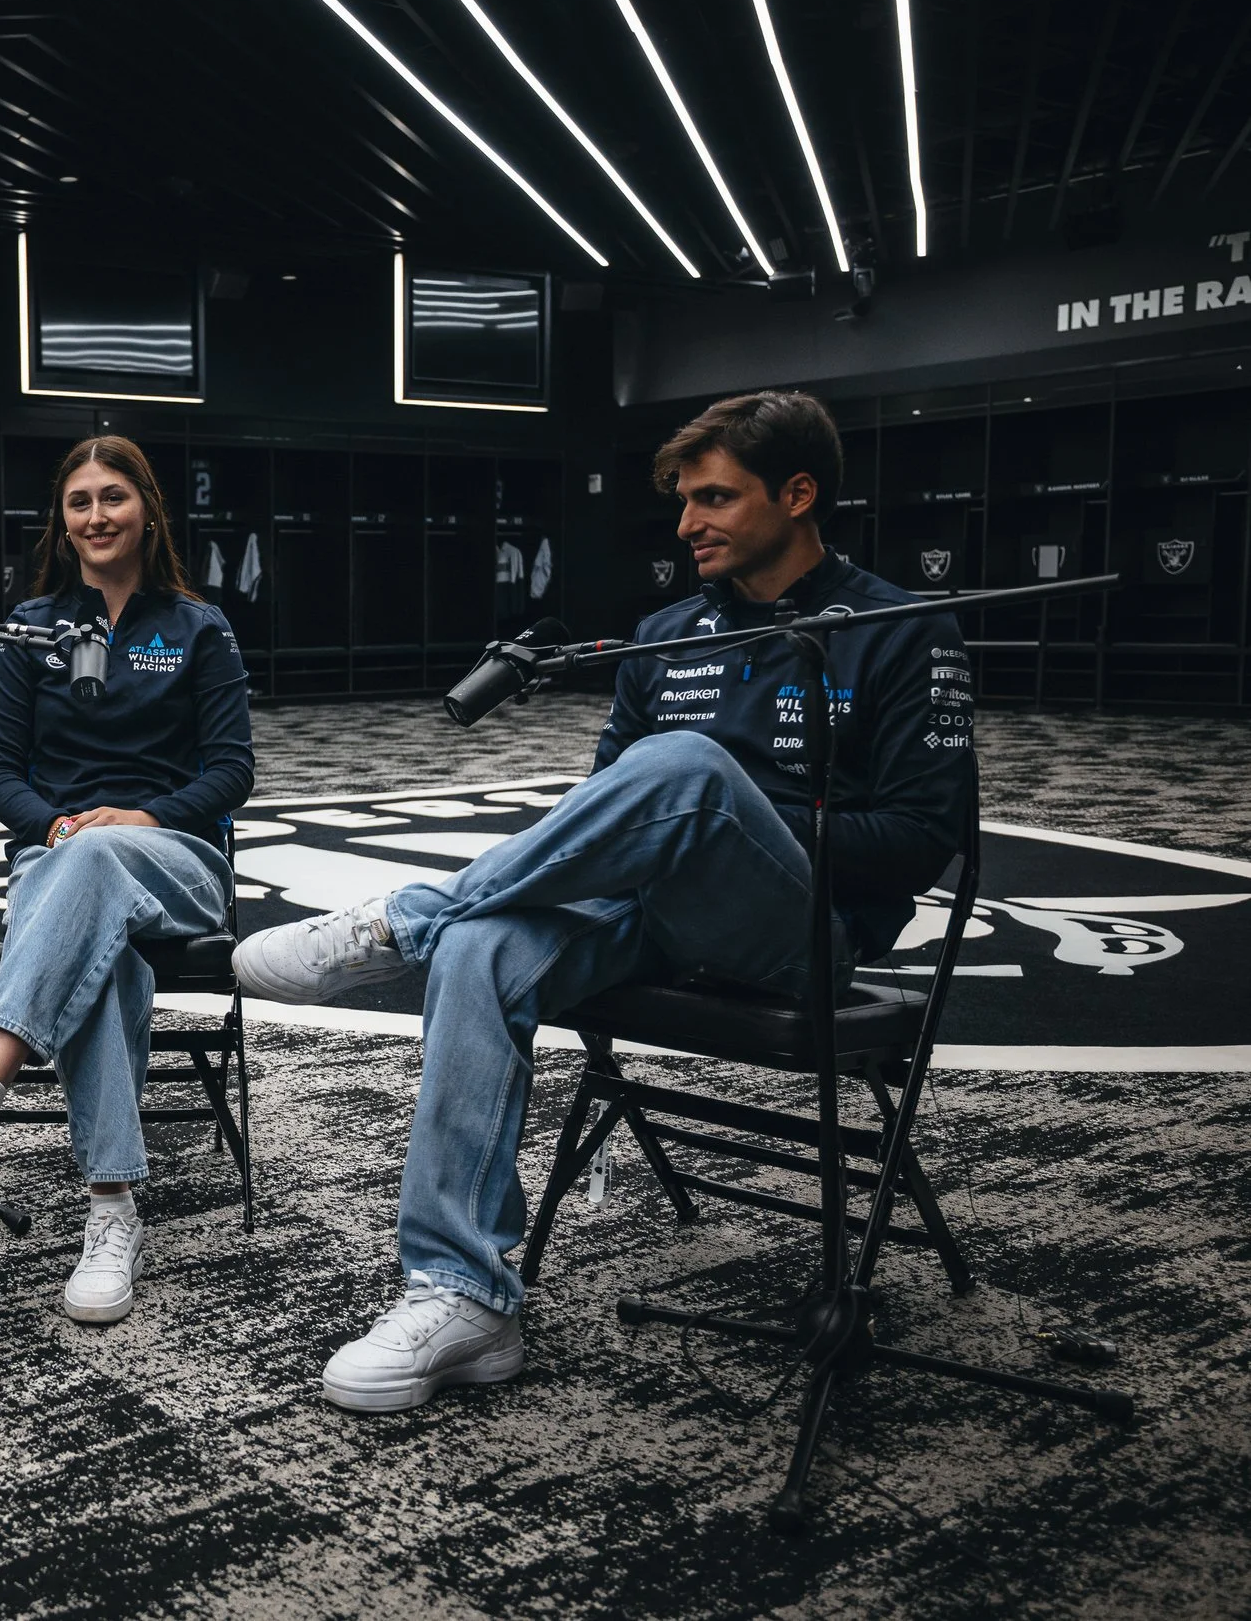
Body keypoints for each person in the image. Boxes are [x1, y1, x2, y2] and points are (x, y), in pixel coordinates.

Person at [232, 389, 975, 1412]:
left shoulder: (900, 629)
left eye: (713, 498)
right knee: (483, 950)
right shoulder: (664, 634)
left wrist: (727, 818)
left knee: (685, 769)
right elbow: (604, 818)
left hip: (803, 935)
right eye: (680, 501)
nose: (686, 524)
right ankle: (465, 1296)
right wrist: (680, 819)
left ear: (798, 494)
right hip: (653, 918)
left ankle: (403, 917)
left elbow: (921, 840)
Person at [0, 436, 254, 1324]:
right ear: (63, 520)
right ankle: (113, 1212)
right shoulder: (31, 627)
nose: (96, 516)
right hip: (59, 860)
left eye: (114, 497)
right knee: (106, 953)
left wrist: (142, 818)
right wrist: (55, 825)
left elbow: (231, 773)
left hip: (180, 863)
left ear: (148, 510)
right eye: (79, 501)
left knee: (94, 863)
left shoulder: (200, 628)